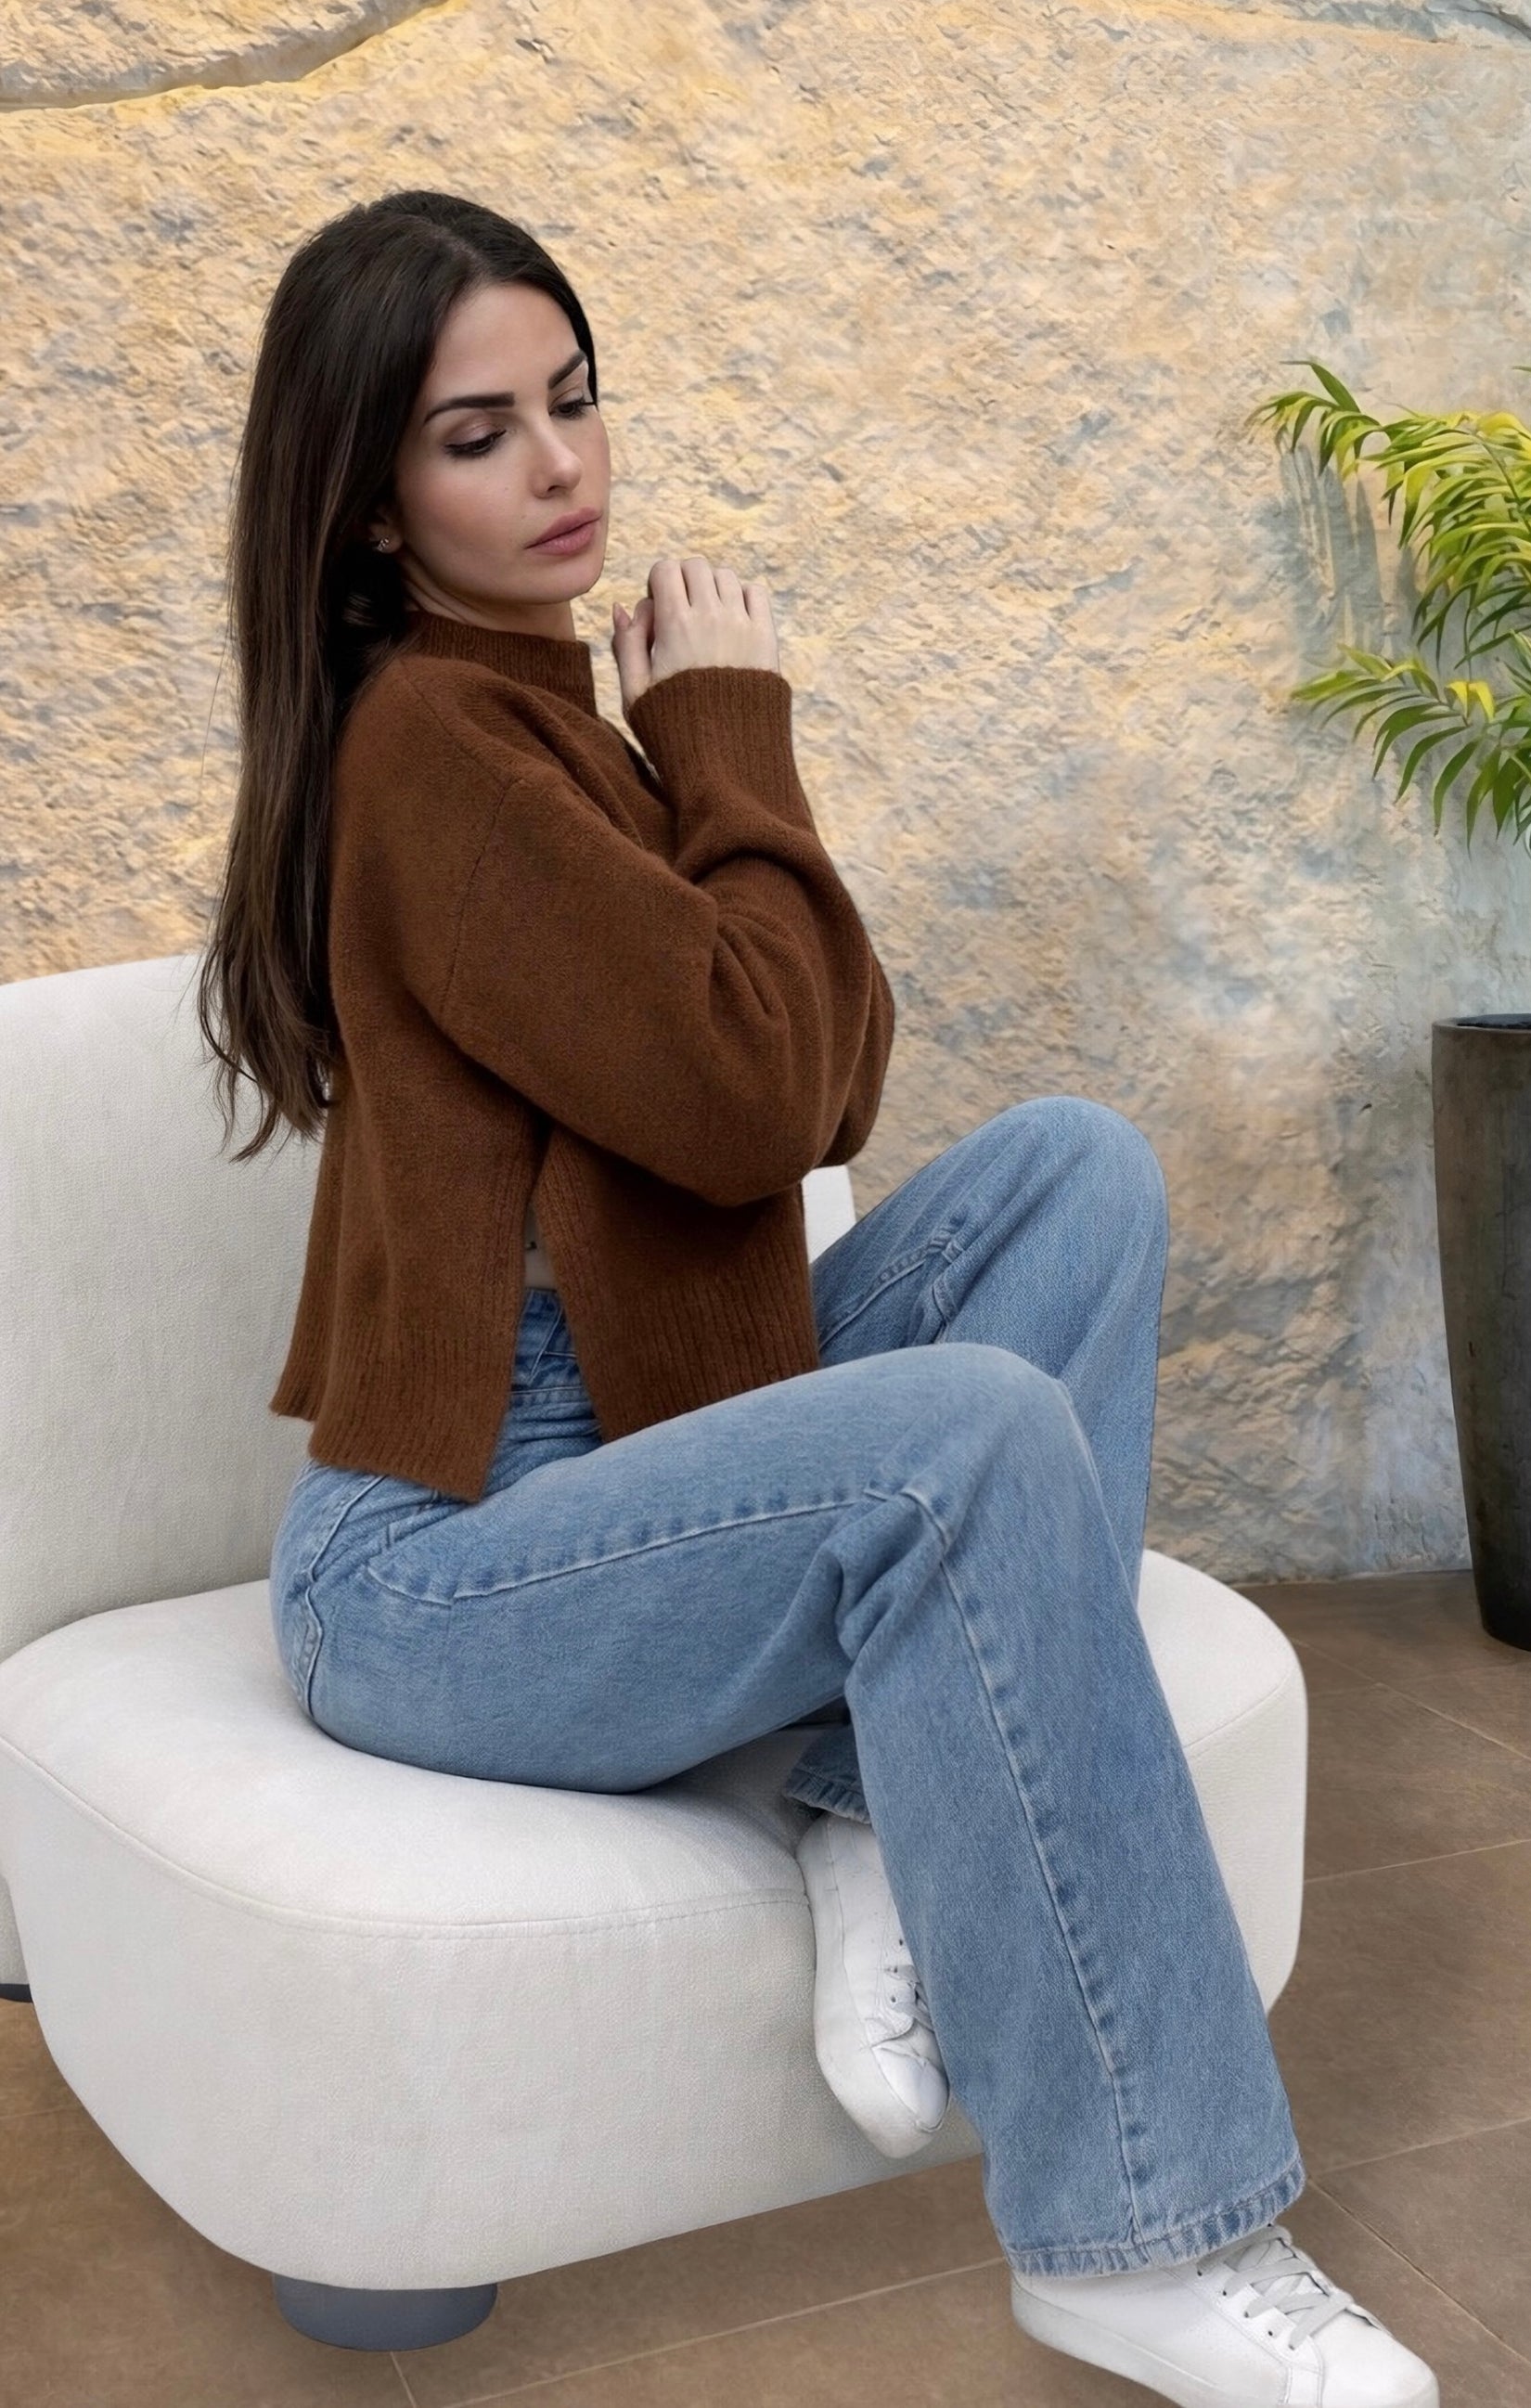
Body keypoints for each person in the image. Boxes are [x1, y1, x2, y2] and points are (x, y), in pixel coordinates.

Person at [193, 188, 1437, 2408]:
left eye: (573, 399)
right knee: (966, 1435)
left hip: (647, 1451)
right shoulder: (434, 749)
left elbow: (820, 1060)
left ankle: (866, 1801)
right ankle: (1142, 2230)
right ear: (372, 506)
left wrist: (694, 754)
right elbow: (759, 1091)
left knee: (1076, 1171)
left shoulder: (553, 723)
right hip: (445, 1564)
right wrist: (733, 734)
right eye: (478, 435)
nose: (561, 465)